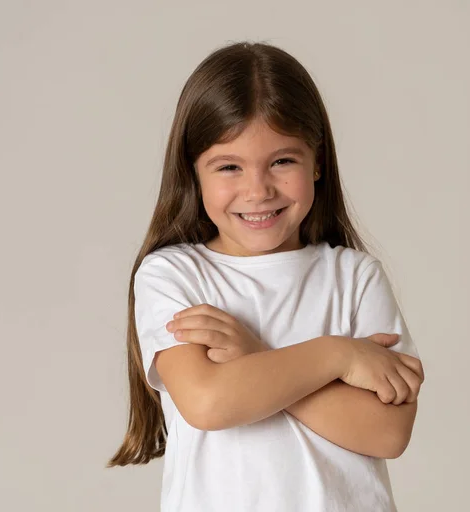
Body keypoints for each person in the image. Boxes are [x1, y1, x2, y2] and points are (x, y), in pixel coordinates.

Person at [108, 40, 425, 512]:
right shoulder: (173, 274)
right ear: (193, 173)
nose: (258, 190)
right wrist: (337, 355)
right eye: (229, 167)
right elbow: (211, 403)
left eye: (282, 161)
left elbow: (387, 432)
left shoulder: (355, 277)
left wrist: (254, 356)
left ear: (317, 161)